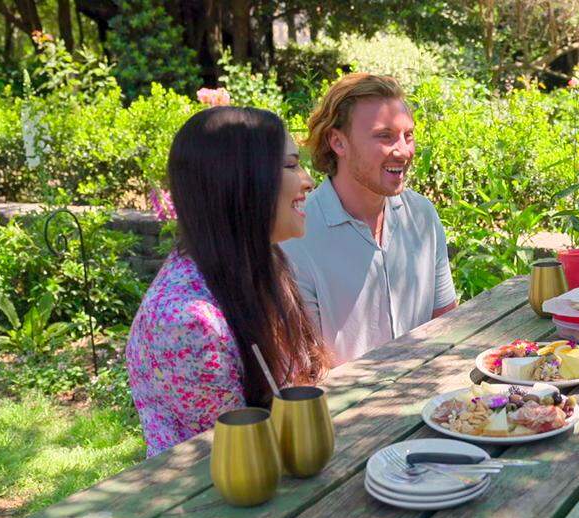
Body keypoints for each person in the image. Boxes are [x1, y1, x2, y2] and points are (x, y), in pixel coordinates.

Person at [127, 107, 329, 457]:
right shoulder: (188, 322)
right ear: (241, 181)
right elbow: (241, 458)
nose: (308, 180)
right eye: (291, 165)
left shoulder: (261, 262)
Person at [281, 73, 457, 365]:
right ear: (338, 142)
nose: (403, 151)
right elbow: (306, 372)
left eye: (408, 135)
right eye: (384, 136)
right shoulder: (297, 236)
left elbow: (447, 327)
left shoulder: (422, 216)